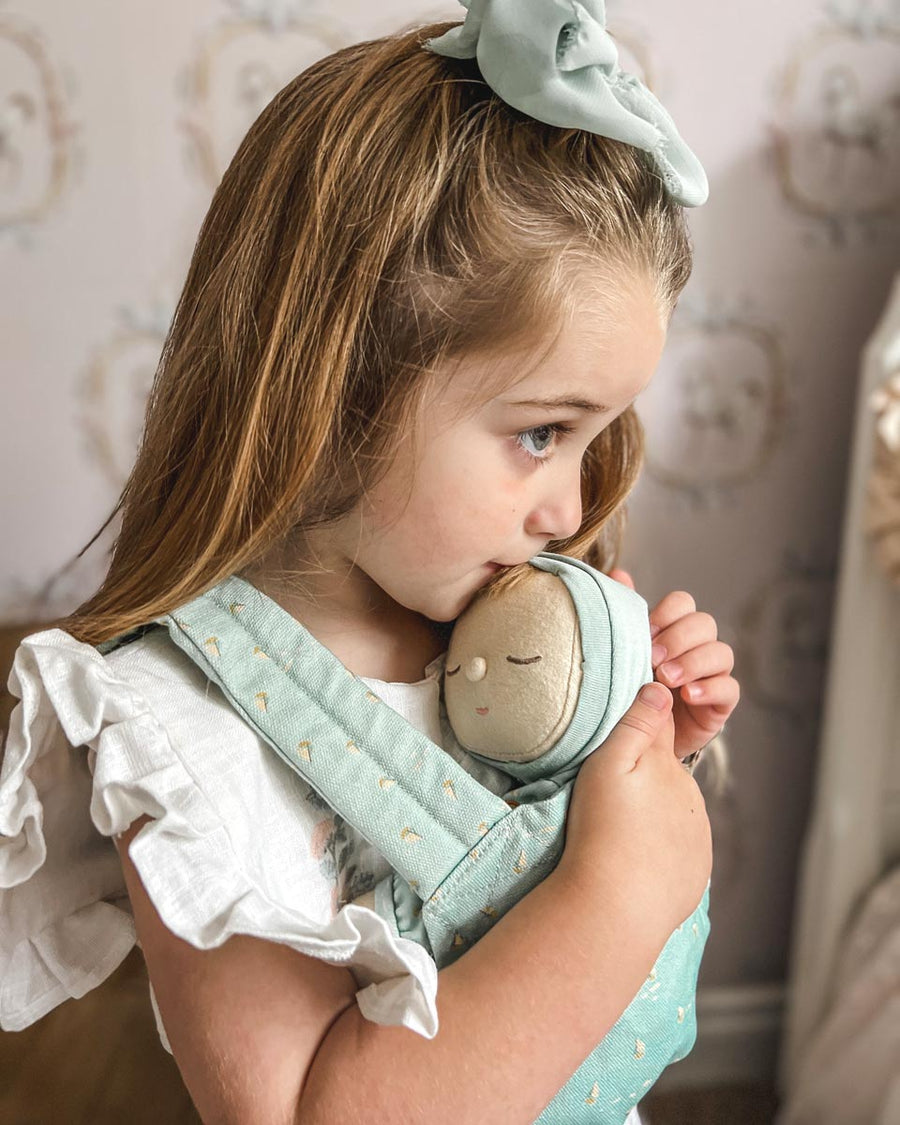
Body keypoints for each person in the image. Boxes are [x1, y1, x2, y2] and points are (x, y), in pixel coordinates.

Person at [0, 6, 739, 1123]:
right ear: (341, 392)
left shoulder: (491, 637)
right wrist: (613, 897)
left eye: (596, 440)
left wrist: (623, 768)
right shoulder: (181, 739)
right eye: (542, 433)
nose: (573, 507)